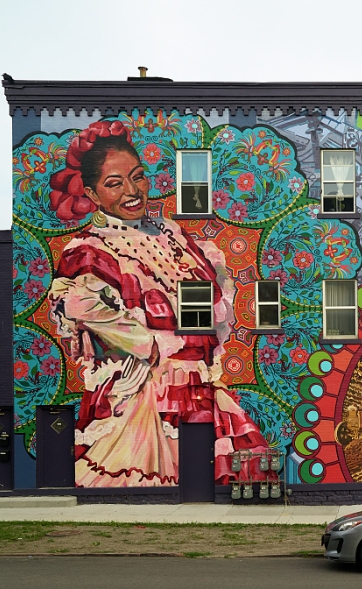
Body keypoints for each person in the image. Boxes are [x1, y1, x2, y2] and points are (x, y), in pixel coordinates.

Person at [48, 120, 268, 487]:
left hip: (199, 387)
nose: (133, 191)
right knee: (150, 480)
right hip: (141, 398)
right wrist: (152, 345)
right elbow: (83, 308)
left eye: (138, 177)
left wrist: (199, 342)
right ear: (91, 192)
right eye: (114, 184)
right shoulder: (89, 251)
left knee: (212, 478)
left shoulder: (173, 234)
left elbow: (213, 299)